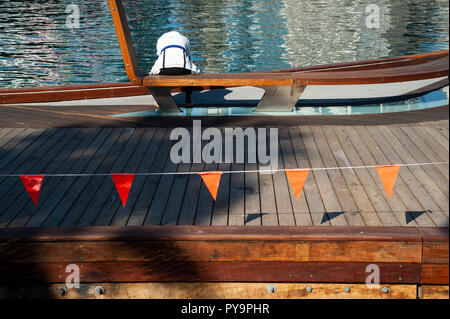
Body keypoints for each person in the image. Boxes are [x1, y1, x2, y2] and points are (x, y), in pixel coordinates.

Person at [150, 31, 200, 105]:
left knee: (154, 75)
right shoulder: (185, 39)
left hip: (164, 70)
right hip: (183, 70)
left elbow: (158, 57)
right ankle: (188, 100)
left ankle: (159, 99)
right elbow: (189, 56)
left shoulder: (161, 39)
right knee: (189, 73)